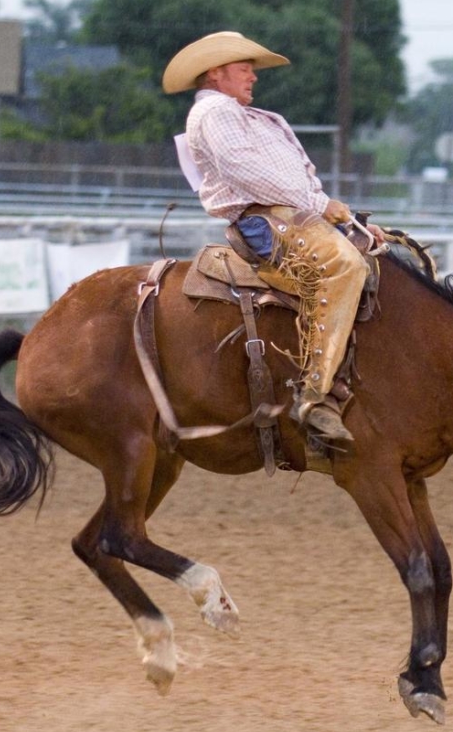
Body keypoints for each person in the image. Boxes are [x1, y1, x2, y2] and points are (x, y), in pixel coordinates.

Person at [163, 31, 383, 444]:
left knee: (381, 256)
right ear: (216, 73)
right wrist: (321, 206)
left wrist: (349, 222)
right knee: (342, 266)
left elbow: (295, 181)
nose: (253, 76)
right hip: (266, 222)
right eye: (244, 69)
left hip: (293, 216)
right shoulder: (215, 113)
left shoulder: (247, 116)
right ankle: (315, 394)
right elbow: (246, 172)